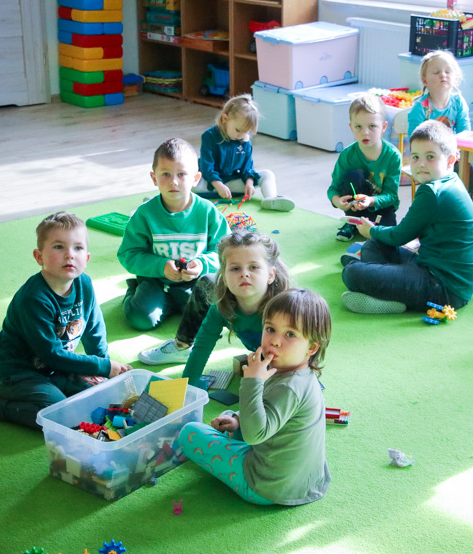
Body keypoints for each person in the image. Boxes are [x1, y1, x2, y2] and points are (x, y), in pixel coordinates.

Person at [0, 212, 132, 429]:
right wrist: (103, 366)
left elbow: (94, 330)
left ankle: (52, 391)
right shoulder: (33, 298)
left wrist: (103, 370)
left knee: (101, 397)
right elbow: (50, 354)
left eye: (78, 248)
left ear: (87, 258)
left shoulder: (85, 284)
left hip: (57, 368)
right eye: (58, 247)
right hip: (17, 372)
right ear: (39, 257)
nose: (69, 255)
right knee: (63, 418)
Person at [178, 288, 332, 506]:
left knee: (190, 433)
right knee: (229, 416)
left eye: (290, 334)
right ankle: (237, 422)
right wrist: (239, 419)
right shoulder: (297, 372)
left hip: (266, 486)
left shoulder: (289, 387)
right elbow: (271, 411)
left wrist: (252, 381)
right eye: (270, 329)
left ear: (312, 347)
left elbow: (254, 436)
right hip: (305, 480)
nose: (275, 341)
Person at [340, 120, 473, 314]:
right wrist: (374, 235)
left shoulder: (433, 193)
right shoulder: (450, 181)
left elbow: (400, 236)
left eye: (430, 157)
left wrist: (371, 229)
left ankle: (385, 293)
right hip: (435, 271)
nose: (421, 164)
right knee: (374, 245)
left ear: (451, 160)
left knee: (351, 273)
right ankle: (383, 285)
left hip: (444, 289)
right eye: (415, 157)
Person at [119, 138, 230, 337]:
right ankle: (134, 290)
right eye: (166, 174)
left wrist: (201, 264)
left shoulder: (207, 211)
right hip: (156, 282)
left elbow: (226, 252)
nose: (173, 181)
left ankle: (176, 305)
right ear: (154, 178)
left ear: (195, 178)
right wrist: (160, 266)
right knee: (140, 319)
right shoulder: (145, 214)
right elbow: (128, 253)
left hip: (195, 283)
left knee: (218, 316)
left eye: (181, 174)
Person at [181, 230, 290, 388]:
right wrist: (188, 385)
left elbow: (300, 354)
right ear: (224, 278)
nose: (244, 274)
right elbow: (202, 346)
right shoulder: (220, 308)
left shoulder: (285, 309)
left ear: (270, 275)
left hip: (289, 363)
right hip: (262, 357)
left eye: (253, 267)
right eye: (235, 269)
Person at [194, 94, 295, 212]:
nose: (241, 135)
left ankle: (271, 199)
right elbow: (207, 167)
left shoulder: (244, 140)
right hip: (208, 184)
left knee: (267, 174)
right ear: (225, 119)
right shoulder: (210, 136)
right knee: (189, 180)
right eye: (238, 130)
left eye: (246, 132)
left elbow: (247, 168)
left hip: (231, 184)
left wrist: (249, 183)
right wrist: (218, 185)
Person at [327, 93, 402, 241]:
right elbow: (333, 188)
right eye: (358, 127)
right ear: (351, 127)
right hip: (355, 206)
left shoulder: (393, 156)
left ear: (384, 127)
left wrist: (370, 201)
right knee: (353, 176)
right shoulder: (347, 155)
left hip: (381, 206)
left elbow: (391, 195)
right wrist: (337, 201)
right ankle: (352, 222)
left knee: (387, 237)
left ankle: (369, 224)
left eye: (372, 126)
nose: (365, 132)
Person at [406, 50, 470, 136]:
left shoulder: (459, 103)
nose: (443, 75)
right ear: (424, 80)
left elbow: (465, 136)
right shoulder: (419, 108)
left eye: (447, 72)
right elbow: (414, 143)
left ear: (455, 79)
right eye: (436, 72)